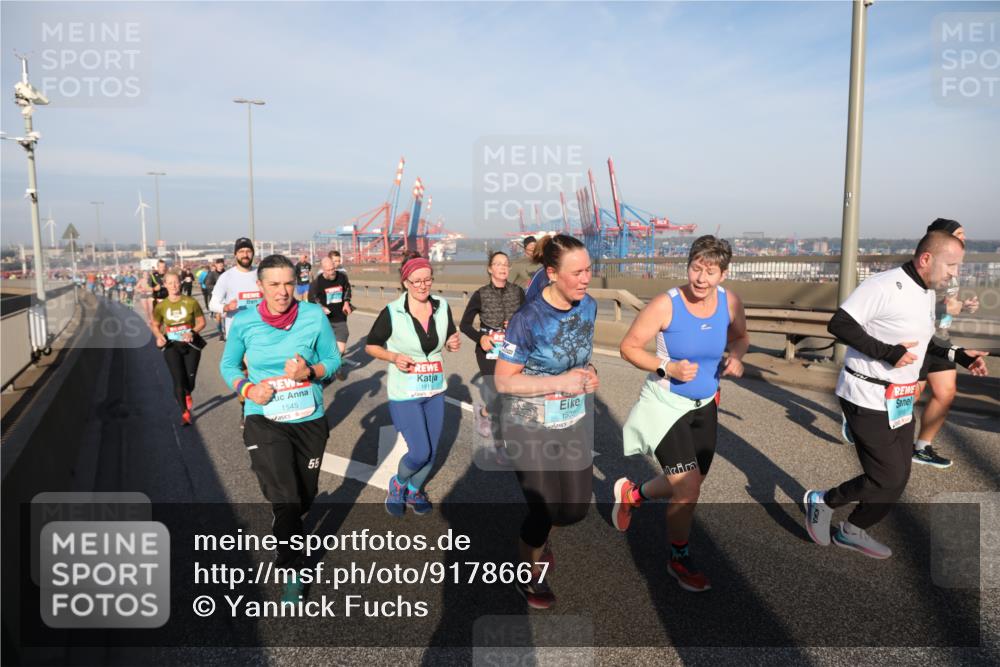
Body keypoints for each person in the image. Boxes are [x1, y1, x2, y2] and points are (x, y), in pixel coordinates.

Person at [804, 231, 988, 559]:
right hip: (864, 393)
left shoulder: (927, 291)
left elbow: (925, 340)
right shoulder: (883, 286)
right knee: (885, 475)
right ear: (926, 258)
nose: (954, 273)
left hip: (899, 397)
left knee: (899, 476)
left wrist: (960, 356)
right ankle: (823, 501)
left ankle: (853, 530)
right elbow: (840, 324)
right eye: (952, 265)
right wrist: (887, 352)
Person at [613, 235, 749, 593]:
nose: (701, 279)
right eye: (695, 268)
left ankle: (633, 494)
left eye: (711, 271)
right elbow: (628, 347)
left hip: (704, 405)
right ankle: (679, 557)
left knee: (690, 483)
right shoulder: (665, 305)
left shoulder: (729, 302)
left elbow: (741, 337)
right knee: (687, 489)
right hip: (665, 406)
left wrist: (736, 356)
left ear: (723, 273)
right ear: (687, 266)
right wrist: (666, 366)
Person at [220, 254, 340, 600]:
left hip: (309, 418)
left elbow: (333, 360)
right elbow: (229, 365)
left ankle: (288, 520)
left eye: (289, 283)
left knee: (304, 497)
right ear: (260, 287)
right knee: (285, 498)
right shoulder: (244, 323)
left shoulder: (313, 316)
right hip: (264, 416)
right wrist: (247, 389)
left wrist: (310, 372)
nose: (283, 291)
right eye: (274, 284)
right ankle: (292, 569)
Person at [495, 234, 599, 610]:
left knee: (573, 510)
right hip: (527, 422)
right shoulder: (527, 320)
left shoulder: (589, 307)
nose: (586, 278)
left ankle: (543, 536)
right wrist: (558, 382)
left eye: (589, 269)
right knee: (544, 509)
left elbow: (581, 358)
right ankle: (527, 572)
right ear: (552, 273)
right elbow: (504, 380)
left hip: (570, 419)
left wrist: (590, 372)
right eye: (577, 272)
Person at [365, 253, 460, 518]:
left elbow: (446, 340)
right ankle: (398, 484)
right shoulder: (392, 312)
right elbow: (371, 346)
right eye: (416, 280)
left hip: (435, 390)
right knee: (420, 452)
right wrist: (393, 357)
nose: (422, 285)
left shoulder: (442, 305)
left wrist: (451, 344)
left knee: (431, 453)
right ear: (405, 281)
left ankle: (415, 490)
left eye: (427, 280)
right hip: (405, 393)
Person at [912, 219, 980, 468]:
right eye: (959, 234)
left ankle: (921, 447)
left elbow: (949, 304)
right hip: (921, 339)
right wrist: (952, 306)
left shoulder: (953, 267)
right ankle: (860, 417)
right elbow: (928, 301)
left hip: (941, 338)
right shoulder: (927, 264)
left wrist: (964, 306)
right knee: (909, 396)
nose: (965, 238)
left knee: (945, 392)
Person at [459, 251, 525, 452]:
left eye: (506, 264)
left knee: (510, 395)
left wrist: (515, 323)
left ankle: (485, 413)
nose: (503, 267)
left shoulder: (518, 292)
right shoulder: (480, 294)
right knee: (500, 392)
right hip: (488, 350)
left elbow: (529, 318)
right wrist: (481, 338)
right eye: (498, 264)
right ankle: (500, 444)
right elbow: (464, 325)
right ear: (490, 269)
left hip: (511, 348)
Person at [209, 238, 261, 425]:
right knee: (244, 376)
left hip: (262, 334)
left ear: (252, 253)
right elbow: (212, 303)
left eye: (248, 251)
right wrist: (225, 307)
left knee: (263, 372)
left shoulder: (260, 274)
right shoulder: (227, 277)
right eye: (241, 251)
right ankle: (245, 408)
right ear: (235, 254)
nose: (245, 254)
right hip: (238, 336)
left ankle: (262, 411)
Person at [152, 270, 207, 426]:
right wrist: (159, 336)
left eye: (176, 282)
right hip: (171, 345)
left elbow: (201, 322)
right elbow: (155, 325)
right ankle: (184, 413)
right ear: (165, 285)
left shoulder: (190, 302)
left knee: (189, 381)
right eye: (170, 283)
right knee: (177, 380)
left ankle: (188, 393)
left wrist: (192, 331)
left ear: (180, 282)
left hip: (190, 344)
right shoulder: (161, 306)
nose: (174, 285)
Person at [307, 254, 352, 380]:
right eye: (329, 270)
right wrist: (320, 307)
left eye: (333, 269)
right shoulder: (317, 282)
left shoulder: (342, 277)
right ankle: (327, 371)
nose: (332, 272)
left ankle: (334, 366)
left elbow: (347, 289)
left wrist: (347, 302)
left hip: (340, 317)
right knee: (326, 348)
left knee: (341, 348)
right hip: (324, 320)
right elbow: (311, 299)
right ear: (323, 269)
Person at [203, 257, 225, 337]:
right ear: (216, 265)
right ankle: (221, 333)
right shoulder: (211, 274)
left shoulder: (226, 273)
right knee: (218, 316)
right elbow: (207, 284)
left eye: (222, 265)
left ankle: (226, 330)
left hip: (225, 297)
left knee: (226, 316)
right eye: (219, 265)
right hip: (216, 297)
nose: (220, 266)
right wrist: (217, 287)